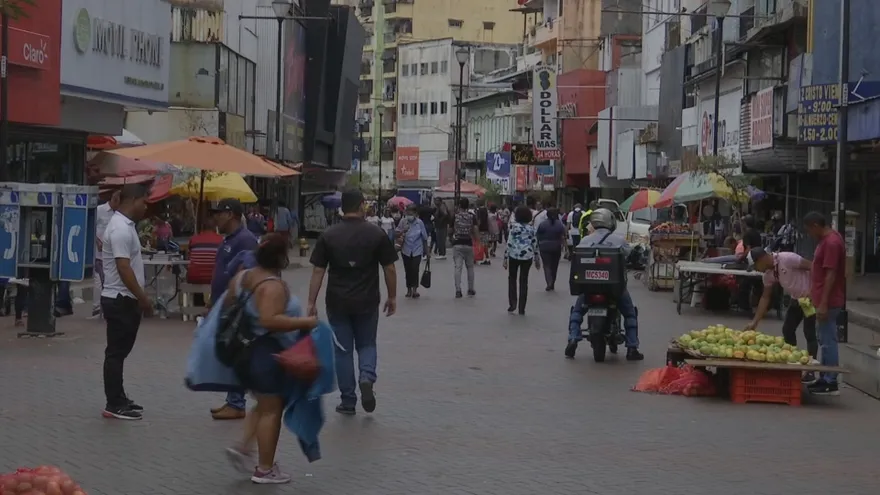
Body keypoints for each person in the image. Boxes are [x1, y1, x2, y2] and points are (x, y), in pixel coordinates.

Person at [222, 233, 318, 484]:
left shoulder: (242, 278)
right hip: (265, 353)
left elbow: (227, 305)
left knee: (264, 404)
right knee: (271, 411)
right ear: (281, 257)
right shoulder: (272, 286)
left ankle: (243, 447)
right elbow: (270, 320)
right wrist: (306, 321)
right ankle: (264, 469)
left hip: (243, 351)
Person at [307, 189, 398, 415]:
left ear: (342, 208)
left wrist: (311, 302)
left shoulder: (328, 235)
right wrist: (392, 296)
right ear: (360, 206)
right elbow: (389, 268)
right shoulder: (376, 234)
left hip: (337, 301)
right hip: (367, 300)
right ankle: (366, 377)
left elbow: (318, 271)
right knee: (367, 344)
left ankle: (348, 401)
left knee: (343, 351)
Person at [100, 184, 151, 420]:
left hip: (124, 298)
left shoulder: (126, 226)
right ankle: (114, 403)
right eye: (144, 201)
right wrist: (142, 297)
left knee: (120, 351)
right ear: (133, 200)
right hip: (120, 299)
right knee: (116, 353)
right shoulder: (120, 229)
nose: (146, 206)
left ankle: (119, 397)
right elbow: (123, 267)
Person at [566, 209, 643, 361]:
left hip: (588, 287)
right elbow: (629, 254)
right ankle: (632, 347)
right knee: (629, 313)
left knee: (577, 312)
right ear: (610, 222)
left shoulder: (585, 240)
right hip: (614, 288)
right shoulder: (618, 240)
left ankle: (573, 338)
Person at [209, 199, 260, 420]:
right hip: (226, 304)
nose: (215, 217)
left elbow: (247, 274)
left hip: (238, 307)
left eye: (219, 213)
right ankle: (233, 400)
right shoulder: (230, 239)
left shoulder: (245, 240)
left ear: (230, 214)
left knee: (237, 354)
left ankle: (237, 402)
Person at [744, 247, 818, 383]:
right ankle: (793, 361)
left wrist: (813, 291)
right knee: (787, 329)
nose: (756, 269)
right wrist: (755, 322)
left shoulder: (787, 258)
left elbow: (813, 266)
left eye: (755, 266)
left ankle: (810, 370)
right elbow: (765, 297)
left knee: (809, 332)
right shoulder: (768, 274)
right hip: (796, 299)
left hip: (810, 299)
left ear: (761, 259)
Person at [803, 211, 846, 396]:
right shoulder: (827, 240)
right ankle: (825, 376)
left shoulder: (831, 243)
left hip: (829, 301)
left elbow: (831, 274)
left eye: (809, 230)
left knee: (828, 340)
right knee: (823, 338)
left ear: (815, 225)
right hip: (822, 299)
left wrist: (823, 303)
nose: (809, 234)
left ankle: (830, 380)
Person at [504, 206, 540, 314]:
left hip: (514, 255)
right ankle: (522, 307)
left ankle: (512, 303)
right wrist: (537, 259)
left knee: (512, 279)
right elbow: (535, 244)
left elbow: (509, 243)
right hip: (527, 256)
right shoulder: (531, 229)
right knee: (524, 281)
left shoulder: (513, 227)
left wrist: (505, 258)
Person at [91, 190, 120, 319]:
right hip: (99, 253)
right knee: (99, 280)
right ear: (114, 200)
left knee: (109, 280)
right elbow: (90, 227)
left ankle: (105, 308)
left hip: (113, 254)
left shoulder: (118, 215)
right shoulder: (100, 210)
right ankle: (97, 307)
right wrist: (97, 241)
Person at [186, 217, 224, 308]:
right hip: (214, 277)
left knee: (195, 273)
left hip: (195, 277)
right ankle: (214, 307)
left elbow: (189, 256)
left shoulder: (194, 239)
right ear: (216, 228)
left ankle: (198, 306)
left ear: (202, 227)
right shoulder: (221, 240)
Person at [396, 204, 429, 298]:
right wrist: (403, 231)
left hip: (417, 250)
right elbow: (396, 233)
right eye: (407, 213)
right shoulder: (403, 221)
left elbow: (424, 238)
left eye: (411, 213)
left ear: (415, 213)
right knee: (408, 270)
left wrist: (427, 252)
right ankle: (408, 289)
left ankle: (415, 290)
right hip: (406, 249)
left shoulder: (420, 223)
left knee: (415, 269)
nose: (409, 215)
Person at [451, 197, 479, 298]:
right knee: (470, 267)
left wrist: (452, 238)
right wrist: (477, 241)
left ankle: (458, 290)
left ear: (459, 205)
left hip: (457, 243)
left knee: (458, 267)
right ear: (468, 206)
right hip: (468, 243)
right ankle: (470, 289)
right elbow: (475, 229)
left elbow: (450, 229)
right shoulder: (472, 216)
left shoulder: (455, 216)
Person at [536, 208, 566, 291]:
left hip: (544, 247)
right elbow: (563, 235)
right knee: (554, 266)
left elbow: (538, 236)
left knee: (546, 265)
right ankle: (552, 282)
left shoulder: (542, 224)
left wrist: (538, 245)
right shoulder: (559, 224)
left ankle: (549, 282)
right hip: (556, 247)